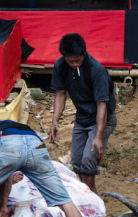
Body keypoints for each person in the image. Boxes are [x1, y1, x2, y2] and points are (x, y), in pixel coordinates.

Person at [49, 33, 117, 195]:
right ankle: (88, 193)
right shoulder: (60, 65)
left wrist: (98, 136)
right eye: (70, 61)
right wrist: (55, 121)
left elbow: (102, 105)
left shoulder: (96, 70)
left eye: (77, 60)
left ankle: (89, 195)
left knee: (88, 159)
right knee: (78, 160)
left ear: (84, 54)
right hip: (82, 118)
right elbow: (60, 94)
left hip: (101, 118)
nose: (73, 64)